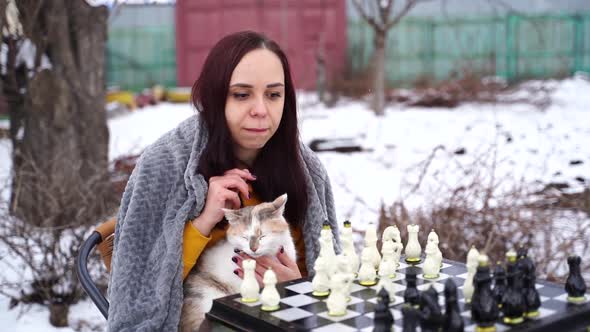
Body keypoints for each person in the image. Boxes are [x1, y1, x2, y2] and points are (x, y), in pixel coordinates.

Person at [107, 31, 340, 331]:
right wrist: (204, 221)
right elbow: (140, 289)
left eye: (273, 94)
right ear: (215, 97)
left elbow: (328, 276)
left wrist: (296, 287)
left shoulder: (305, 169)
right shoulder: (165, 165)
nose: (260, 110)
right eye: (242, 94)